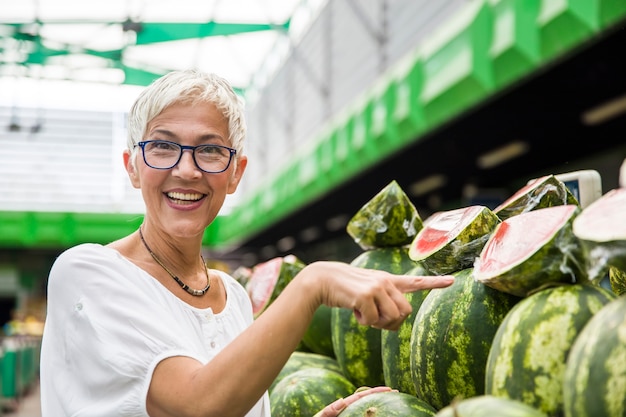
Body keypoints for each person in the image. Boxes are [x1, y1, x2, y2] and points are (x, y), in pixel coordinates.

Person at [39, 69, 454, 417]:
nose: (186, 170)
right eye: (163, 147)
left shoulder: (234, 299)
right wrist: (312, 284)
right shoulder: (88, 273)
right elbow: (196, 405)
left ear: (236, 173)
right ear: (132, 166)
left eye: (210, 151)